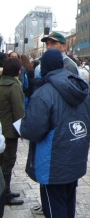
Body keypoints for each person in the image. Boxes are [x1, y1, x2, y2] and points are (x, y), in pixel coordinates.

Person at [20, 49, 90, 218]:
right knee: (68, 203)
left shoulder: (44, 92)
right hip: (75, 157)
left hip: (53, 162)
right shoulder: (79, 87)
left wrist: (22, 127)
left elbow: (32, 130)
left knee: (53, 208)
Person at [0, 58, 25, 206]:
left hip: (1, 129)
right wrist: (22, 130)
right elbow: (18, 111)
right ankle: (6, 194)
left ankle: (5, 191)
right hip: (9, 131)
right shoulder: (13, 86)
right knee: (8, 162)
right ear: (16, 70)